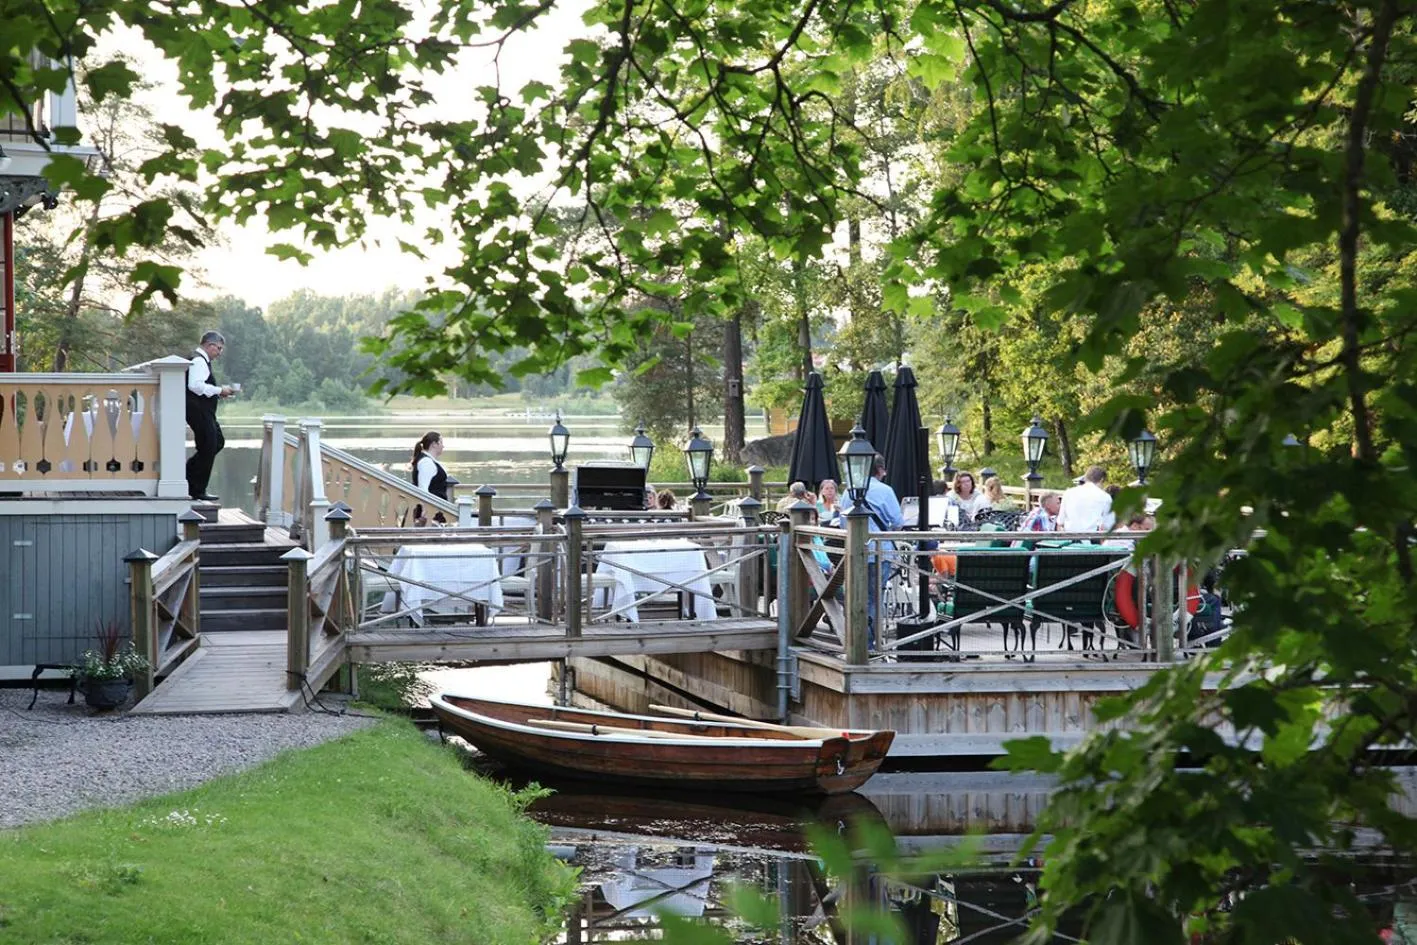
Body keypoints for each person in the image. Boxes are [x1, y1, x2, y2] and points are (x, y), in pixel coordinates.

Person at [841, 455, 905, 648]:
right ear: (880, 469)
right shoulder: (885, 490)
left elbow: (843, 524)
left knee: (856, 596)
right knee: (874, 599)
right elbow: (898, 522)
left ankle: (853, 641)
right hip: (880, 551)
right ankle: (869, 645)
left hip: (854, 550)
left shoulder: (849, 491)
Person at [185, 330, 235, 501]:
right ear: (209, 345)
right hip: (199, 411)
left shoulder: (200, 360)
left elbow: (200, 386)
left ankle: (189, 478)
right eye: (219, 348)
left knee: (217, 442)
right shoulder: (199, 361)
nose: (220, 352)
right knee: (208, 446)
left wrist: (217, 392)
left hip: (204, 411)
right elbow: (195, 386)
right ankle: (196, 489)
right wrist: (220, 390)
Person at [1057, 465, 1115, 532]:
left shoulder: (1068, 493)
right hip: (1093, 536)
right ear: (1101, 480)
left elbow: (1060, 521)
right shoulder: (1105, 497)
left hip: (1070, 536)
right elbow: (1109, 524)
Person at [411, 431, 448, 525]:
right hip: (431, 514)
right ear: (434, 444)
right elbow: (423, 488)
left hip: (435, 510)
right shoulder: (426, 462)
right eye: (441, 442)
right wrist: (425, 511)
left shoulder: (428, 460)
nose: (443, 446)